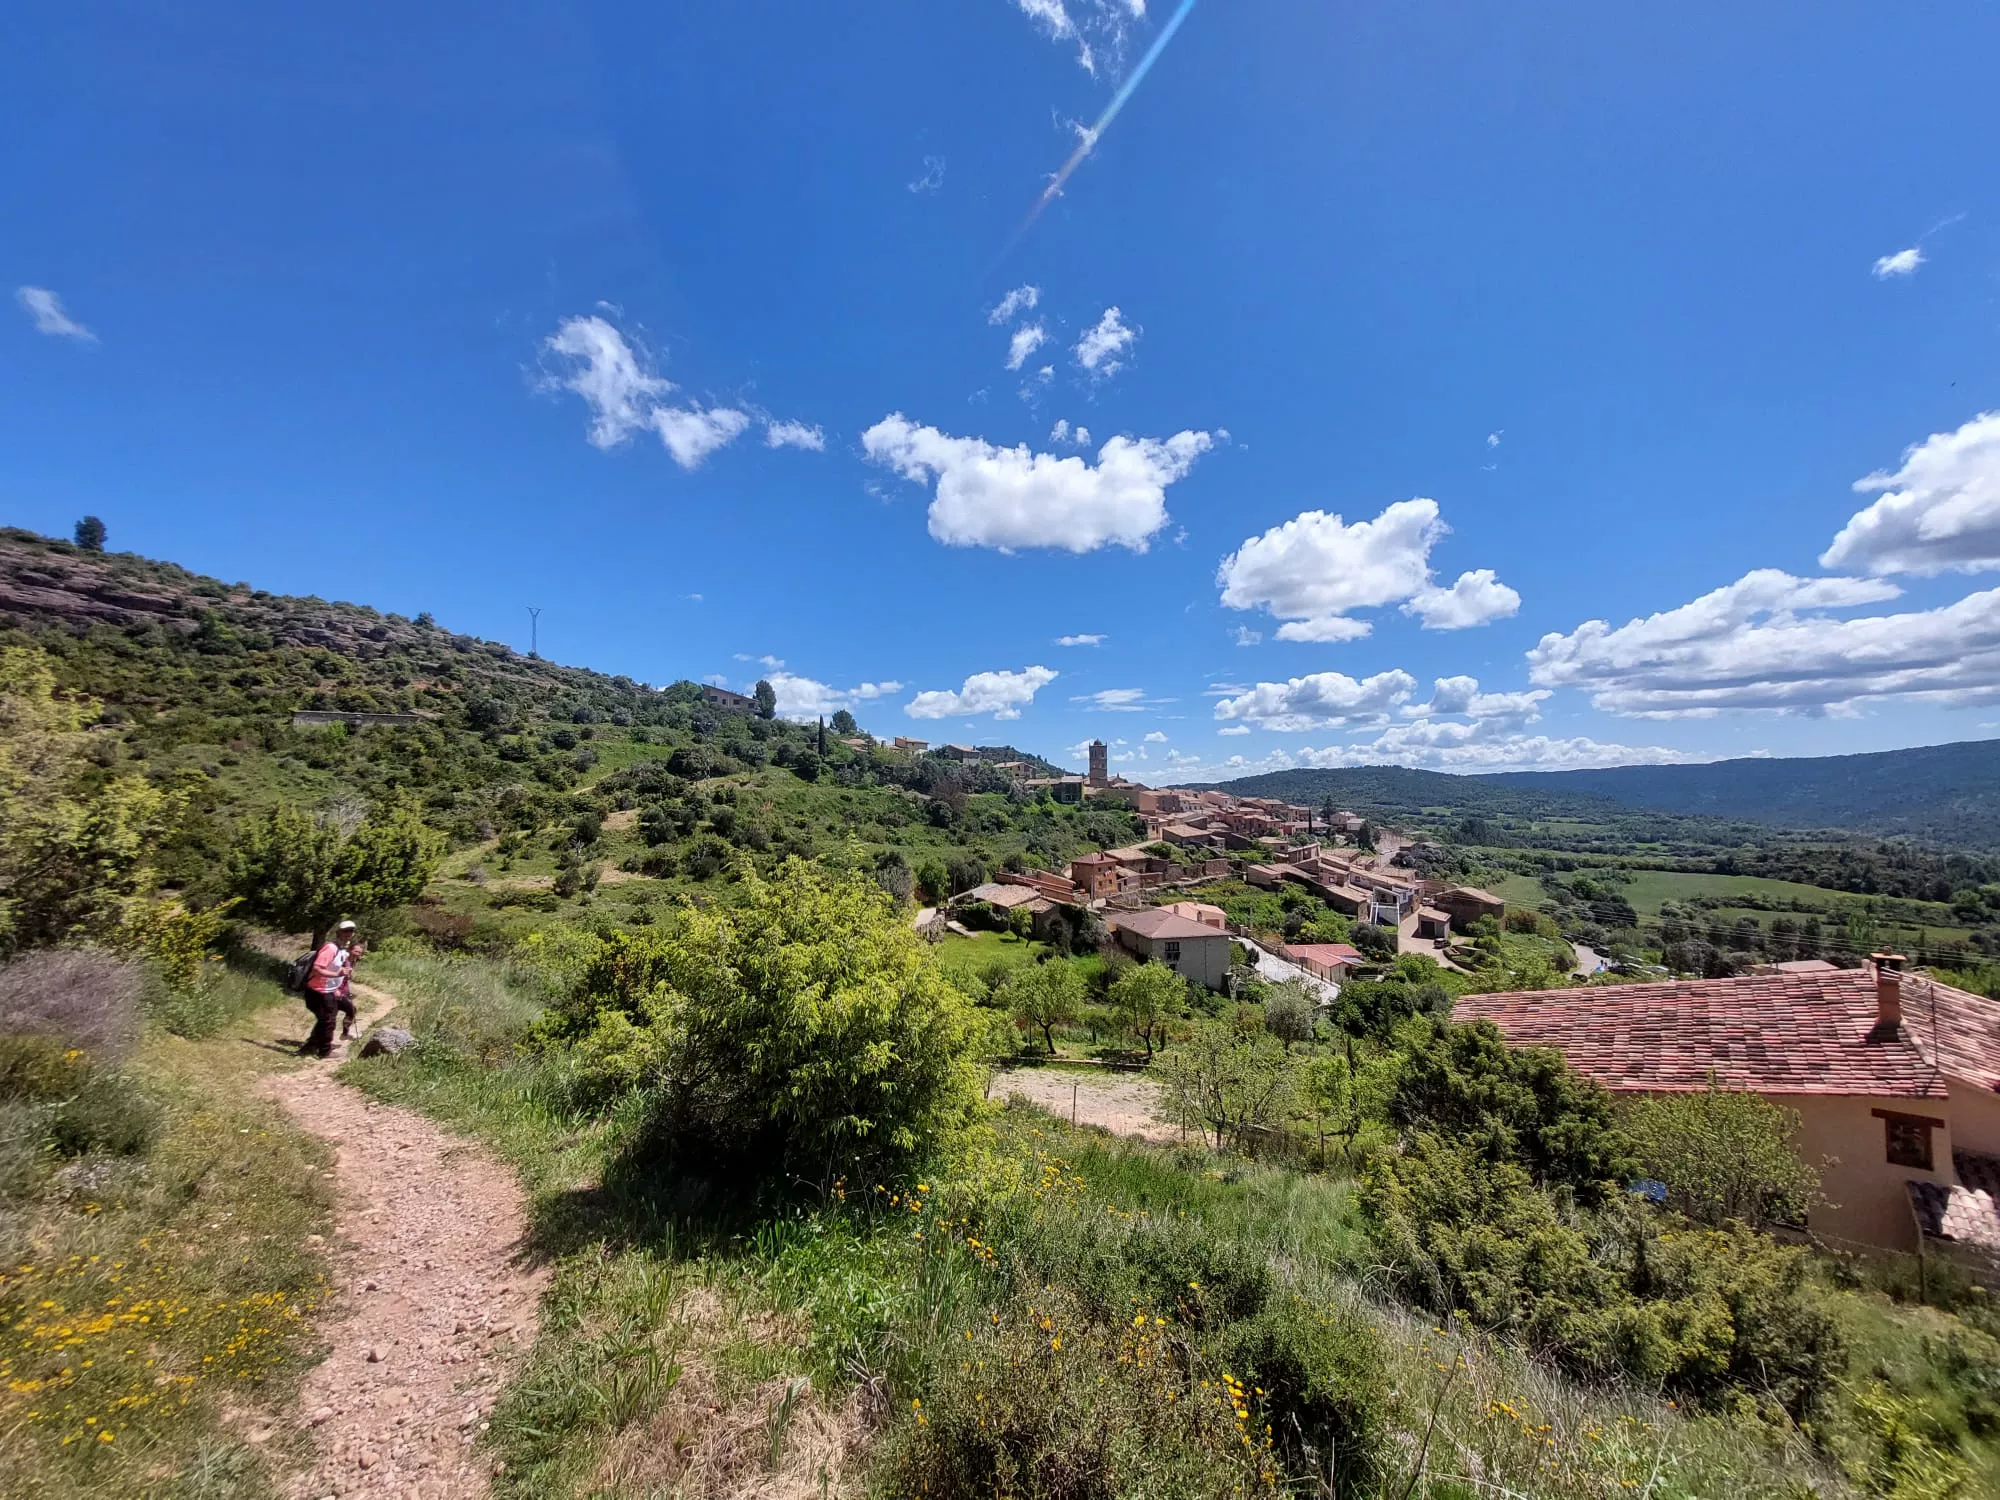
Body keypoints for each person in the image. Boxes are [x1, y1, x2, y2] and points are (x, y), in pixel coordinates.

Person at [297, 921, 358, 1059]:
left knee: (328, 1019)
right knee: (328, 1020)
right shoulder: (330, 948)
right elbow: (317, 969)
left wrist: (343, 975)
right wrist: (338, 973)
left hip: (329, 990)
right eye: (346, 931)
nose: (348, 934)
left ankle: (311, 1046)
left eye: (351, 931)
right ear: (338, 932)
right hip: (319, 991)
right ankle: (324, 1051)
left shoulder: (342, 949)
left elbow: (337, 968)